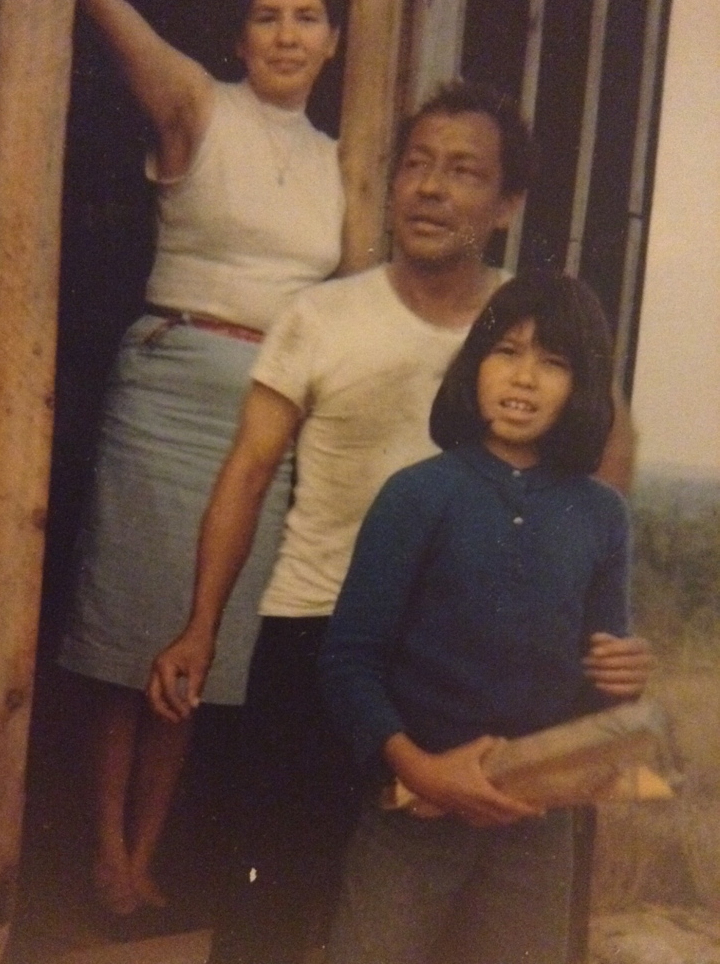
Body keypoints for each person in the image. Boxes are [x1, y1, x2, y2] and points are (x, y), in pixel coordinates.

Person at [148, 82, 650, 964]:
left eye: (462, 172)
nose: (429, 188)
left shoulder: (529, 328)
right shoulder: (322, 314)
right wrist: (199, 624)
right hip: (321, 641)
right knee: (273, 908)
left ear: (506, 205)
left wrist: (578, 638)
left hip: (469, 664)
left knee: (470, 915)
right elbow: (249, 470)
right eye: (415, 164)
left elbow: (605, 464)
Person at [57, 0, 346, 917]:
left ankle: (145, 855)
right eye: (268, 17)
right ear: (239, 37)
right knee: (127, 627)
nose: (287, 34)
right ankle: (103, 850)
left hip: (269, 415)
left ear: (333, 41)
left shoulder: (348, 158)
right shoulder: (197, 103)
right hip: (170, 386)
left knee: (200, 633)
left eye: (307, 18)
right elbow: (102, 3)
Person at [318, 272, 649, 964]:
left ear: (583, 386)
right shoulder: (417, 494)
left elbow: (600, 690)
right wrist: (422, 770)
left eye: (554, 362)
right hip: (413, 811)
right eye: (507, 351)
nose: (524, 378)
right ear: (475, 365)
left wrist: (622, 677)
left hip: (534, 832)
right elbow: (349, 660)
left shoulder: (602, 515)